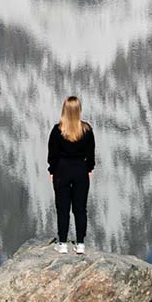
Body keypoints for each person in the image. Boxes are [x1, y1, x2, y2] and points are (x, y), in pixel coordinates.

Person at [48, 94, 95, 253]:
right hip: (81, 170)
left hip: (62, 171)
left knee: (63, 208)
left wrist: (52, 170)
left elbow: (52, 154)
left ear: (64, 110)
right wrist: (88, 169)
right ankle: (80, 243)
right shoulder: (87, 130)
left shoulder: (57, 130)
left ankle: (62, 243)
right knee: (80, 209)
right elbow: (91, 154)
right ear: (79, 110)